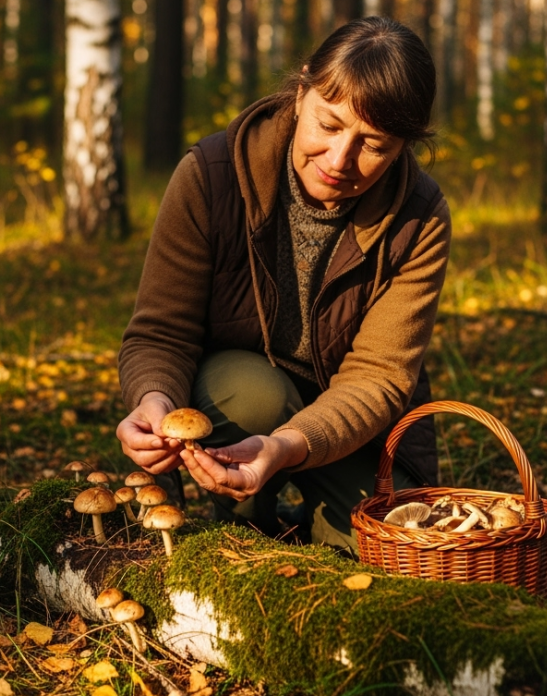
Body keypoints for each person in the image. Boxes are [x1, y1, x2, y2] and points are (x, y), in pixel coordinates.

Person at [116, 17, 451, 552]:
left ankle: (303, 523)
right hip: (238, 394)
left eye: (374, 145)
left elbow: (379, 378)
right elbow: (161, 332)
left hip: (345, 419)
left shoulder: (421, 217)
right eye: (329, 124)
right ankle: (242, 528)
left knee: (393, 544)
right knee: (254, 394)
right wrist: (154, 400)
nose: (340, 161)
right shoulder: (210, 175)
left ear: (404, 147)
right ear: (301, 93)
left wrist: (287, 446)